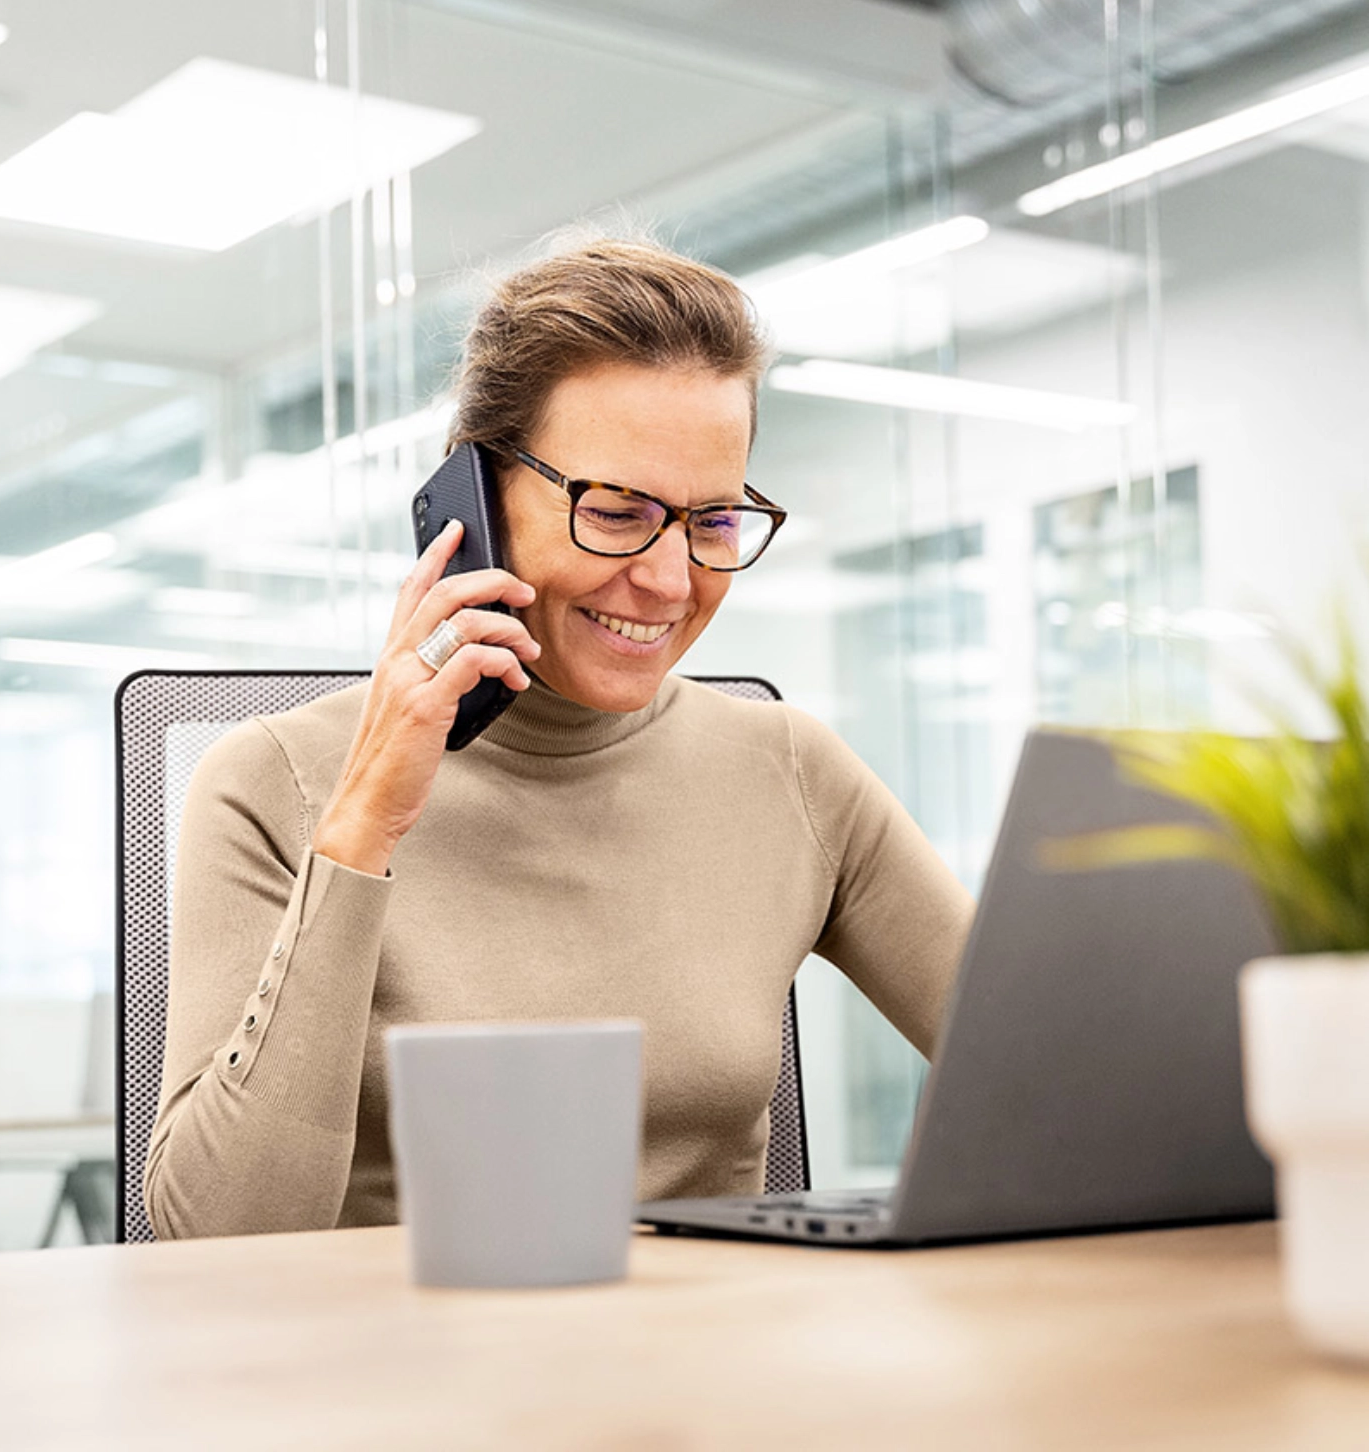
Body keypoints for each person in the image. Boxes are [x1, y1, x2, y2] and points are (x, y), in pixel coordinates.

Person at [145, 237, 975, 1239]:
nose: (670, 582)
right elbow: (221, 1237)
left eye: (711, 520)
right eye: (618, 512)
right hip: (393, 1375)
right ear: (474, 499)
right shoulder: (269, 783)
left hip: (711, 1370)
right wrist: (361, 826)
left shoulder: (791, 771)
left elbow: (1051, 1062)